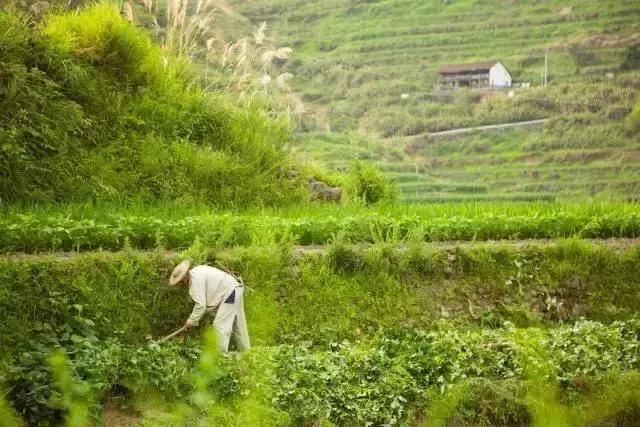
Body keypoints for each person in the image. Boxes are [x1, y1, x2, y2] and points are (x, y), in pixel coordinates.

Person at [169, 260, 250, 352]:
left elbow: (201, 305)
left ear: (185, 277)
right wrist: (192, 321)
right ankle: (246, 351)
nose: (181, 284)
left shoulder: (196, 281)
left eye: (180, 281)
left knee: (220, 325)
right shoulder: (197, 270)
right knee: (238, 323)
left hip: (231, 292)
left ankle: (222, 355)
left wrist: (190, 321)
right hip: (234, 288)